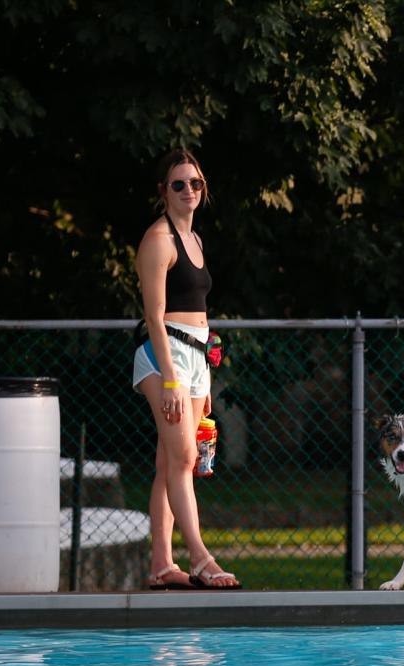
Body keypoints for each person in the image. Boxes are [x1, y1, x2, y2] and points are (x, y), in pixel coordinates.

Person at [132, 148, 240, 589]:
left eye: (195, 183)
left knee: (167, 464)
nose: (189, 191)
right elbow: (155, 315)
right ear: (163, 191)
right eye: (179, 184)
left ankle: (162, 565)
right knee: (185, 459)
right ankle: (199, 557)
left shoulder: (194, 240)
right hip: (165, 358)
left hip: (196, 358)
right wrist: (174, 378)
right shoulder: (158, 240)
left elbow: (202, 312)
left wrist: (205, 375)